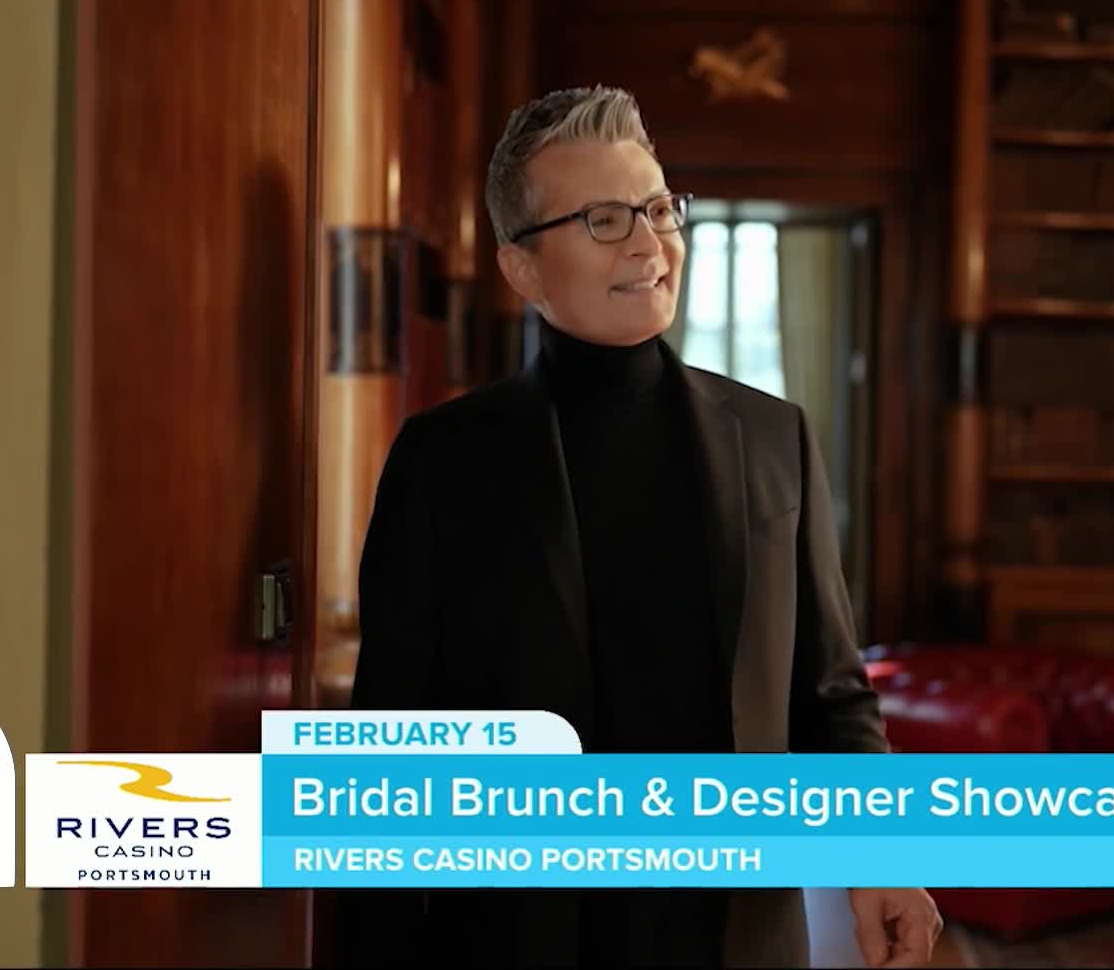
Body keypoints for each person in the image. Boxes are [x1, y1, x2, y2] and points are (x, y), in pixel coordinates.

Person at [333, 85, 943, 968]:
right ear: (522, 269)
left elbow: (830, 695)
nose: (650, 245)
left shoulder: (773, 437)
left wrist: (880, 860)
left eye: (659, 210)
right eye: (605, 220)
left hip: (736, 936)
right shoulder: (444, 461)